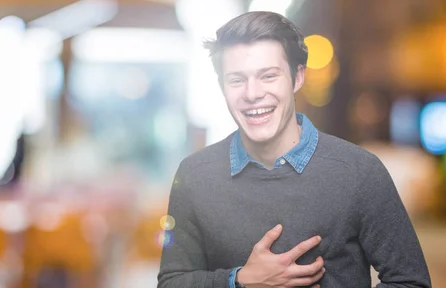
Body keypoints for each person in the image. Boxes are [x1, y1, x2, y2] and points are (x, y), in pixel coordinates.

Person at [157, 11, 431, 288]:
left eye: (268, 76)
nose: (252, 94)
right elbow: (171, 282)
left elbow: (411, 282)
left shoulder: (359, 172)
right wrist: (239, 281)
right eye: (237, 80)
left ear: (297, 77)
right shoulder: (194, 176)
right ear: (221, 87)